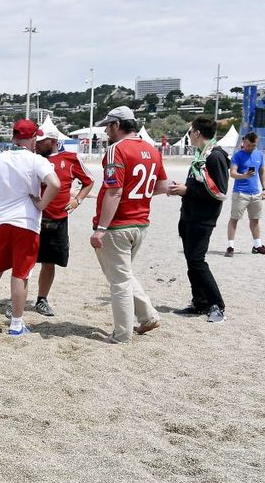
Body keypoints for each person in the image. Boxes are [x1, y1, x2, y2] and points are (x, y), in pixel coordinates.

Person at [89, 106, 169, 343]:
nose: (105, 131)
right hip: (140, 222)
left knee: (119, 281)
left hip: (118, 225)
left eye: (107, 126)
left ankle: (122, 334)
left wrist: (101, 228)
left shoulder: (116, 150)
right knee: (123, 274)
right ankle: (147, 317)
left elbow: (114, 191)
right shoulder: (151, 150)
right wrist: (138, 195)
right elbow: (163, 186)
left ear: (116, 125)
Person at [0, 119, 60, 337]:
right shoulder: (37, 161)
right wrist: (41, 203)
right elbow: (56, 184)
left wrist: (4, 191)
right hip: (26, 222)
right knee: (20, 275)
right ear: (33, 138)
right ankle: (16, 324)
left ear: (13, 137)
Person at [167, 116, 230, 322]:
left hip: (203, 218)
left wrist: (187, 190)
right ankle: (200, 302)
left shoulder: (214, 156)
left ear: (197, 133)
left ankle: (217, 305)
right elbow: (199, 185)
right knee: (192, 261)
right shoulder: (200, 156)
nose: (189, 135)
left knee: (197, 260)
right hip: (189, 215)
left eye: (190, 131)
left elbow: (219, 191)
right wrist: (183, 189)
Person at [30, 130, 95, 317]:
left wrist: (78, 200)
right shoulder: (32, 159)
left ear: (52, 141)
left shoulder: (70, 158)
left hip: (57, 219)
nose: (37, 145)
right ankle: (16, 298)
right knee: (24, 260)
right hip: (32, 217)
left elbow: (89, 181)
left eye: (41, 142)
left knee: (49, 262)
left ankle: (42, 299)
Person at [224, 132, 264, 256]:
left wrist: (264, 189)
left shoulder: (259, 155)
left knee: (255, 219)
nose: (250, 147)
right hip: (240, 193)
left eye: (253, 145)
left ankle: (257, 245)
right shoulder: (237, 156)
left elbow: (262, 173)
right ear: (243, 142)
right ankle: (230, 246)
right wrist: (244, 176)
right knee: (234, 219)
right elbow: (233, 173)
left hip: (256, 193)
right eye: (247, 145)